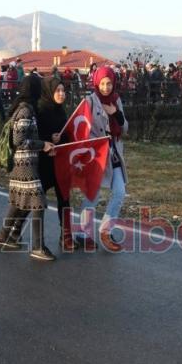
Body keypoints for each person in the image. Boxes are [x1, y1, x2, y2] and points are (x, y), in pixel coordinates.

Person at [0, 75, 56, 261]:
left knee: (18, 202)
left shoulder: (22, 108)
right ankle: (38, 246)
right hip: (25, 165)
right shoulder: (25, 110)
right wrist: (42, 145)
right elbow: (19, 140)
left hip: (22, 164)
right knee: (37, 203)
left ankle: (4, 236)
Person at [77, 66, 129, 251]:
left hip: (114, 152)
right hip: (96, 154)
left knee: (120, 192)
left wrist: (116, 114)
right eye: (103, 83)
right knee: (93, 194)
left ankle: (106, 231)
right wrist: (96, 141)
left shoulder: (116, 100)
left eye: (109, 83)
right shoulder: (89, 101)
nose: (106, 87)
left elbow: (125, 128)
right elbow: (81, 130)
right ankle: (83, 233)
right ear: (96, 83)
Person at [36, 76, 75, 251]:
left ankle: (66, 235)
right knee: (35, 201)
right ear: (49, 92)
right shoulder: (40, 109)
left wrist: (61, 138)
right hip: (44, 163)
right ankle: (13, 230)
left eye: (63, 90)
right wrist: (47, 139)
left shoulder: (61, 110)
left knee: (64, 198)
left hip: (60, 161)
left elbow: (66, 133)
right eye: (57, 90)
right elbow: (34, 135)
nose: (61, 94)